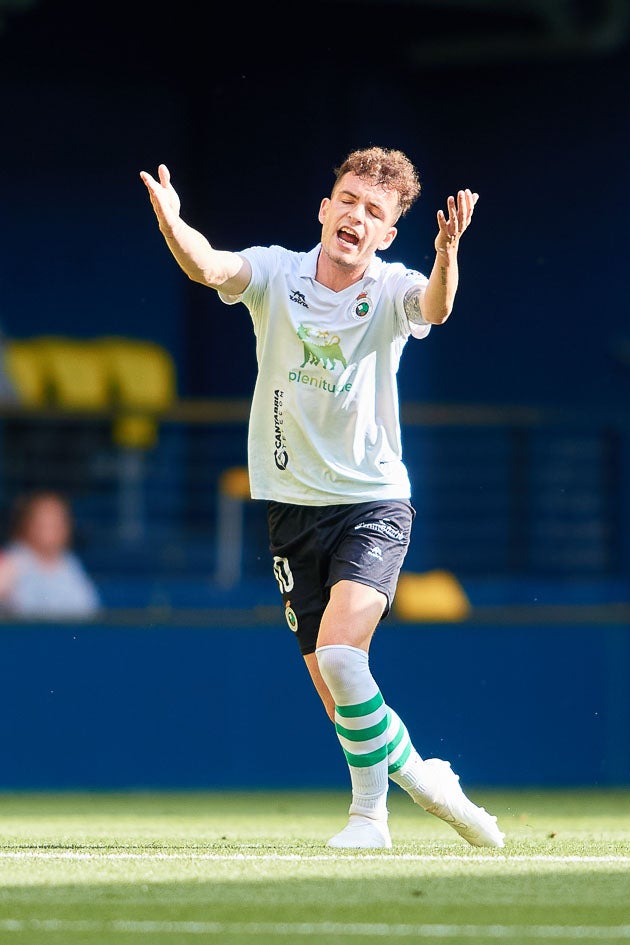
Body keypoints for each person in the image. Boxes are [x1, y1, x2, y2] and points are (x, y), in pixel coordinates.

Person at [140, 148, 504, 851]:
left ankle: (388, 807)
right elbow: (211, 266)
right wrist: (174, 224)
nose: (356, 216)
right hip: (290, 504)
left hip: (372, 502)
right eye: (348, 200)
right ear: (324, 208)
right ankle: (409, 789)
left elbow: (437, 305)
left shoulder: (395, 285)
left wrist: (447, 252)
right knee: (336, 686)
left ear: (389, 232)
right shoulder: (277, 273)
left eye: (375, 211)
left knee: (342, 657)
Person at [0, 490, 101, 620]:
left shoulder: (69, 562)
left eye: (57, 521)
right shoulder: (13, 560)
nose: (51, 528)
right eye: (44, 521)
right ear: (26, 524)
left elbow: (90, 611)